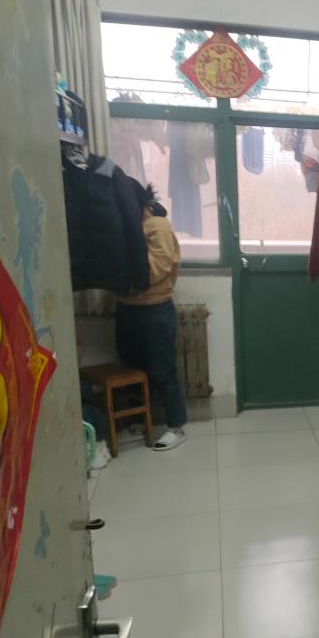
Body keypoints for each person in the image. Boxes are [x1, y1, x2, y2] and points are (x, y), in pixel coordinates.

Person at [116, 182, 188, 451]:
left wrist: (123, 275)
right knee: (131, 368)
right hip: (126, 308)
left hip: (155, 309)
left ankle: (176, 426)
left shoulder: (157, 226)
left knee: (163, 369)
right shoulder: (125, 227)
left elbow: (157, 267)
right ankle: (138, 421)